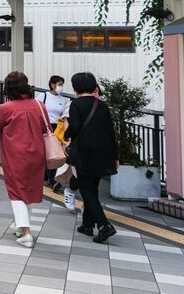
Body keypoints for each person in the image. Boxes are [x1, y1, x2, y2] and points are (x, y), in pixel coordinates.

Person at [0, 71, 46, 248]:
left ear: (8, 88)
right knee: (28, 190)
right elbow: (46, 129)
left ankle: (26, 233)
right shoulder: (39, 105)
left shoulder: (6, 108)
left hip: (16, 155)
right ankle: (20, 226)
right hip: (38, 153)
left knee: (16, 191)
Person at [65, 72, 119, 243]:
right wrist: (115, 156)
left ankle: (104, 225)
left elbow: (74, 127)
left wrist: (66, 134)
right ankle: (87, 225)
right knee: (93, 188)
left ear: (76, 88)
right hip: (103, 152)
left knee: (86, 190)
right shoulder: (102, 105)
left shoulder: (76, 104)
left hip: (84, 152)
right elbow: (111, 133)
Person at [41, 75, 68, 189]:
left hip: (57, 128)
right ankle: (44, 177)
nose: (61, 87)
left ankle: (53, 180)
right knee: (45, 153)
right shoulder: (43, 96)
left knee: (55, 153)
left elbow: (64, 116)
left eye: (62, 85)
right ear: (52, 85)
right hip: (45, 126)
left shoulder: (63, 100)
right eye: (59, 84)